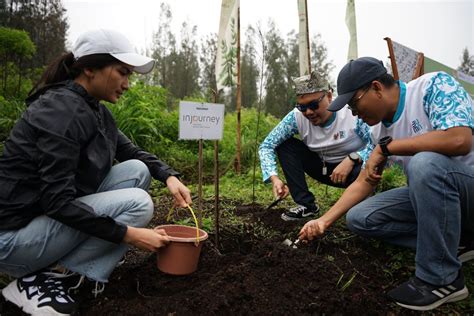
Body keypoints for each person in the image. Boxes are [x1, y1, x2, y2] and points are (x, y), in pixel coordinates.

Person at [0, 29, 192, 315]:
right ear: (89, 68)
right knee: (138, 204)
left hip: (41, 218)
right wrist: (130, 235)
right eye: (122, 72)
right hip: (13, 241)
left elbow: (131, 152)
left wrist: (169, 176)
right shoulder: (61, 113)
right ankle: (49, 280)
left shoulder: (93, 110)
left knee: (138, 170)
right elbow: (57, 202)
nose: (127, 84)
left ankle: (71, 266)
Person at [299, 57, 474, 311]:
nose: (353, 113)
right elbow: (364, 180)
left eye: (353, 103)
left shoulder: (432, 86)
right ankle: (459, 241)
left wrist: (388, 148)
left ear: (376, 88)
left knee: (424, 164)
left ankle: (441, 278)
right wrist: (324, 221)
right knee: (360, 217)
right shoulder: (376, 130)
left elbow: (459, 140)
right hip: (445, 198)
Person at [258, 71, 373, 221]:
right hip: (322, 167)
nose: (309, 112)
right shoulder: (296, 117)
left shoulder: (351, 113)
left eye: (313, 105)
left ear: (330, 96)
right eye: (302, 107)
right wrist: (274, 178)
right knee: (286, 145)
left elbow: (377, 144)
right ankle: (306, 206)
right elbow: (267, 145)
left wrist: (353, 158)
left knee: (366, 168)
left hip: (353, 171)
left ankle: (362, 199)